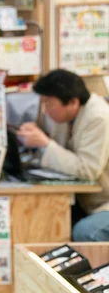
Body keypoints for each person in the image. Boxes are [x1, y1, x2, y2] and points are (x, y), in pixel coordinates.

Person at [18, 69, 109, 241]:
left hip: (103, 203)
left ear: (73, 102)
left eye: (49, 104)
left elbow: (87, 169)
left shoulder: (99, 118)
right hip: (85, 200)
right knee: (42, 220)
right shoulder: (68, 115)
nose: (46, 111)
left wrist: (45, 143)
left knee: (85, 232)